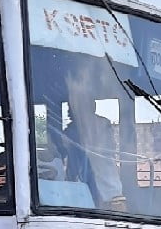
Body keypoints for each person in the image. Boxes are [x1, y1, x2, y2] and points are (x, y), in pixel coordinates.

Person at [44, 61, 125, 209]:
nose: (68, 111)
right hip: (110, 193)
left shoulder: (88, 127)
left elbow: (60, 151)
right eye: (67, 105)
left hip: (100, 195)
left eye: (71, 105)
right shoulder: (100, 124)